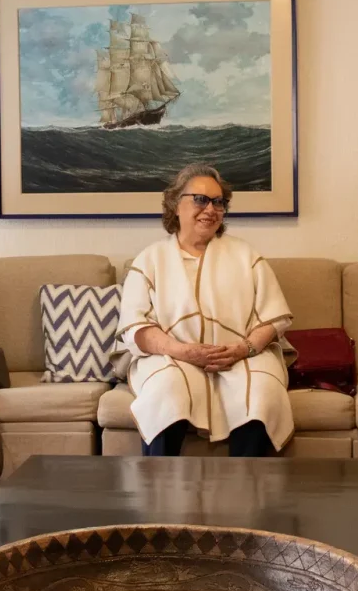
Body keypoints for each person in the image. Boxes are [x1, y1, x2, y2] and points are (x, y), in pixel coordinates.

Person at [113, 163, 295, 457]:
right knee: (167, 389)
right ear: (175, 205)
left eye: (218, 202)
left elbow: (274, 320)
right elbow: (137, 329)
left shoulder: (245, 255)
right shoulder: (150, 259)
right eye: (200, 199)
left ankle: (246, 490)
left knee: (262, 390)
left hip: (239, 354)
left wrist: (243, 348)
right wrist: (183, 352)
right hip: (171, 355)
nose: (210, 209)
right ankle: (160, 490)